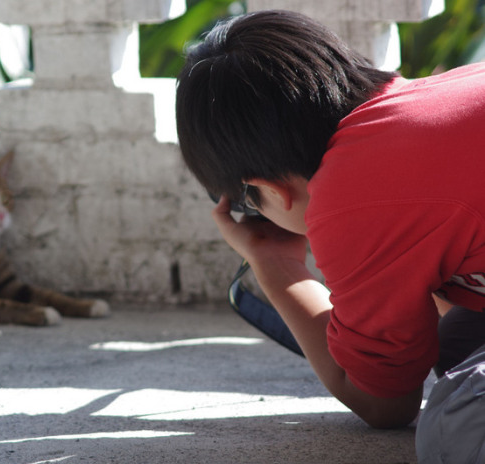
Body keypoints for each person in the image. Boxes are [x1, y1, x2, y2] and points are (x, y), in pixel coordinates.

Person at [175, 8, 485, 458]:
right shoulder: (431, 99)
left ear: (267, 191)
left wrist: (277, 268)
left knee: (455, 425)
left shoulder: (355, 192)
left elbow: (386, 403)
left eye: (247, 205)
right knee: (457, 340)